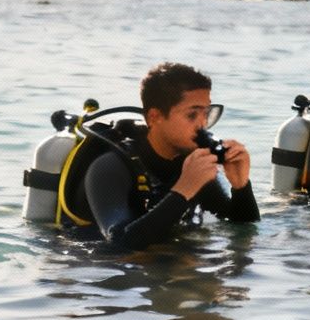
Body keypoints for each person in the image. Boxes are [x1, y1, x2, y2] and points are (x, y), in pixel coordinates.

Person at [83, 62, 257, 250]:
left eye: (206, 114)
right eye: (192, 115)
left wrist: (241, 187)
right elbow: (119, 243)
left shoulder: (187, 163)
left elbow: (243, 229)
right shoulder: (110, 166)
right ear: (154, 117)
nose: (203, 125)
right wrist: (185, 189)